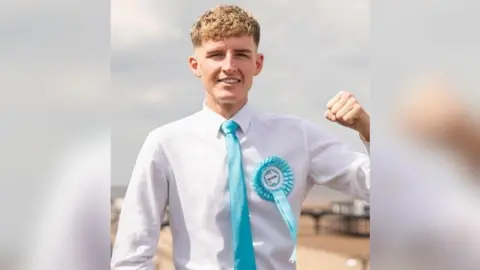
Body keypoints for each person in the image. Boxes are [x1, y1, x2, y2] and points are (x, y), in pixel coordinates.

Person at [111, 5, 370, 270]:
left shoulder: (298, 136)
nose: (229, 66)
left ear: (257, 63)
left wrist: (368, 130)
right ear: (195, 65)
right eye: (216, 55)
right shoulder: (164, 144)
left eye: (241, 54)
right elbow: (131, 256)